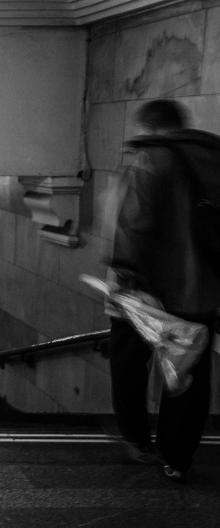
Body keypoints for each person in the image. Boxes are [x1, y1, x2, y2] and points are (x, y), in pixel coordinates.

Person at [108, 98, 220, 481]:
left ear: (151, 127)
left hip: (149, 293)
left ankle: (137, 440)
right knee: (188, 375)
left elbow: (134, 222)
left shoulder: (151, 158)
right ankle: (178, 457)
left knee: (128, 365)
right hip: (202, 292)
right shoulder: (215, 156)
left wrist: (124, 277)